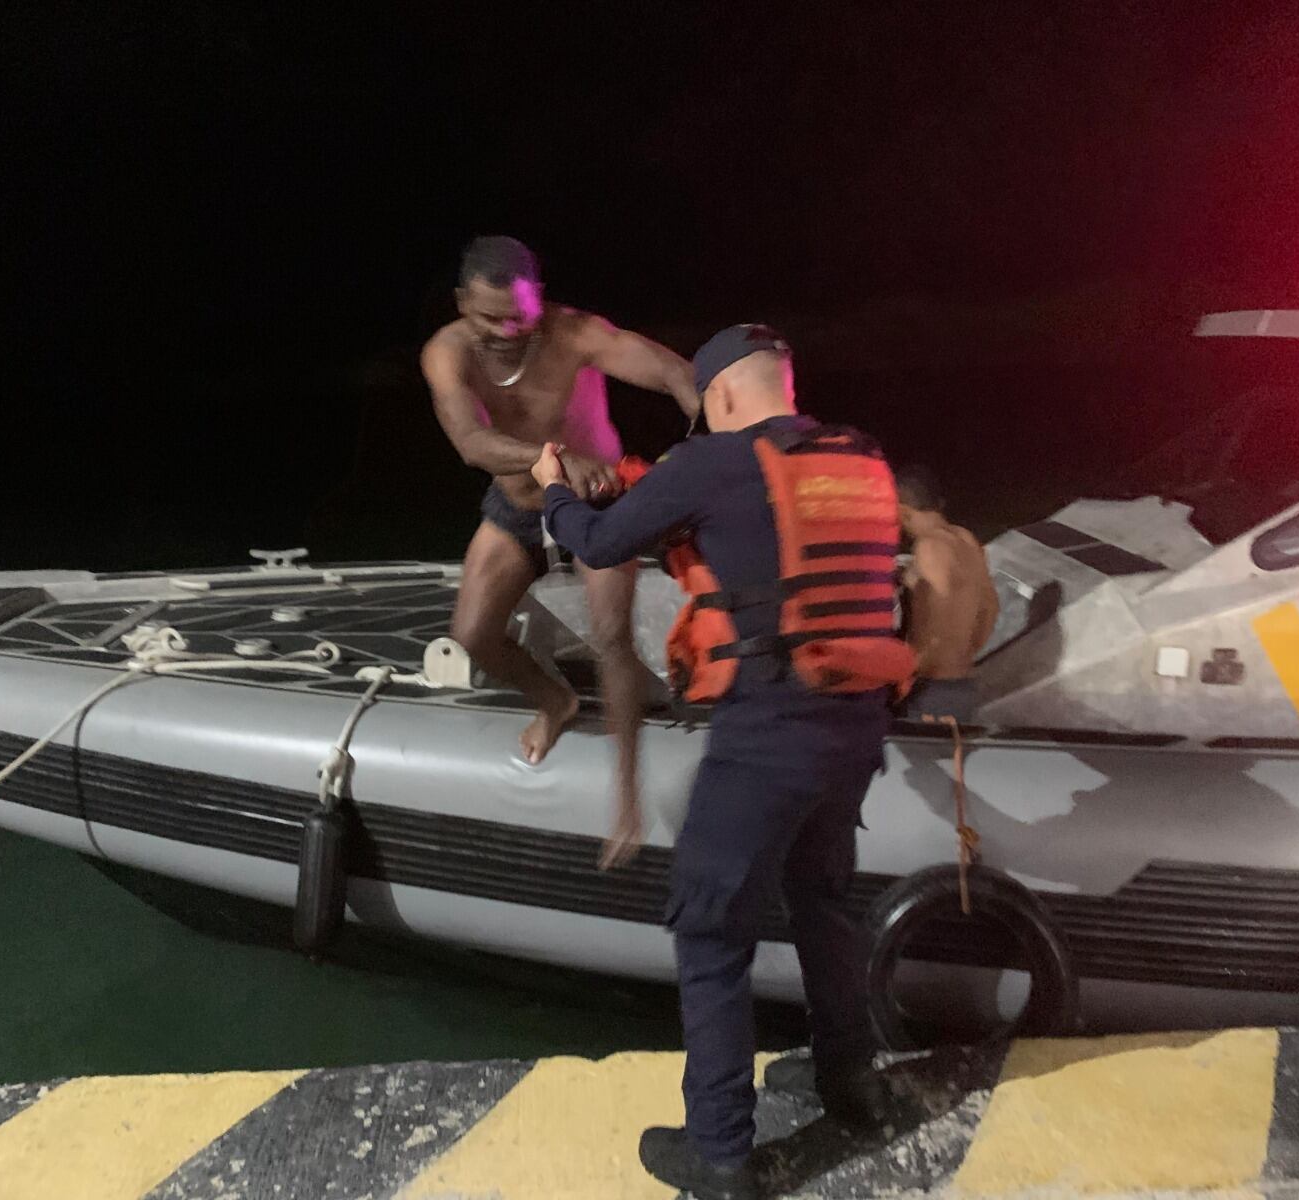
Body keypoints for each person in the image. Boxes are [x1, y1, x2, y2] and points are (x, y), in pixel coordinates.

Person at [532, 325, 911, 1200]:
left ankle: (721, 1153)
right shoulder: (857, 457)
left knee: (709, 932)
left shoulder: (715, 463)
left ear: (724, 399)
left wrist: (555, 490)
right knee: (822, 903)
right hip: (855, 727)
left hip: (766, 737)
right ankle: (851, 1081)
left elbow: (595, 542)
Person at [421, 236, 698, 867]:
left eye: (518, 314)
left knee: (611, 637)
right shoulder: (447, 353)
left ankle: (626, 797)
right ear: (463, 301)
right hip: (519, 508)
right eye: (488, 315)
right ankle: (557, 702)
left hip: (599, 507)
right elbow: (470, 441)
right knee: (472, 633)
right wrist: (551, 461)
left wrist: (704, 441)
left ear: (537, 302)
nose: (504, 329)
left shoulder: (575, 334)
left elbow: (676, 373)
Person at [894, 465, 999, 722]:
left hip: (930, 690)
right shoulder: (966, 539)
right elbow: (991, 608)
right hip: (962, 683)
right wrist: (963, 654)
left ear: (902, 510)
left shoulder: (929, 547)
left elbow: (935, 626)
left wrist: (906, 679)